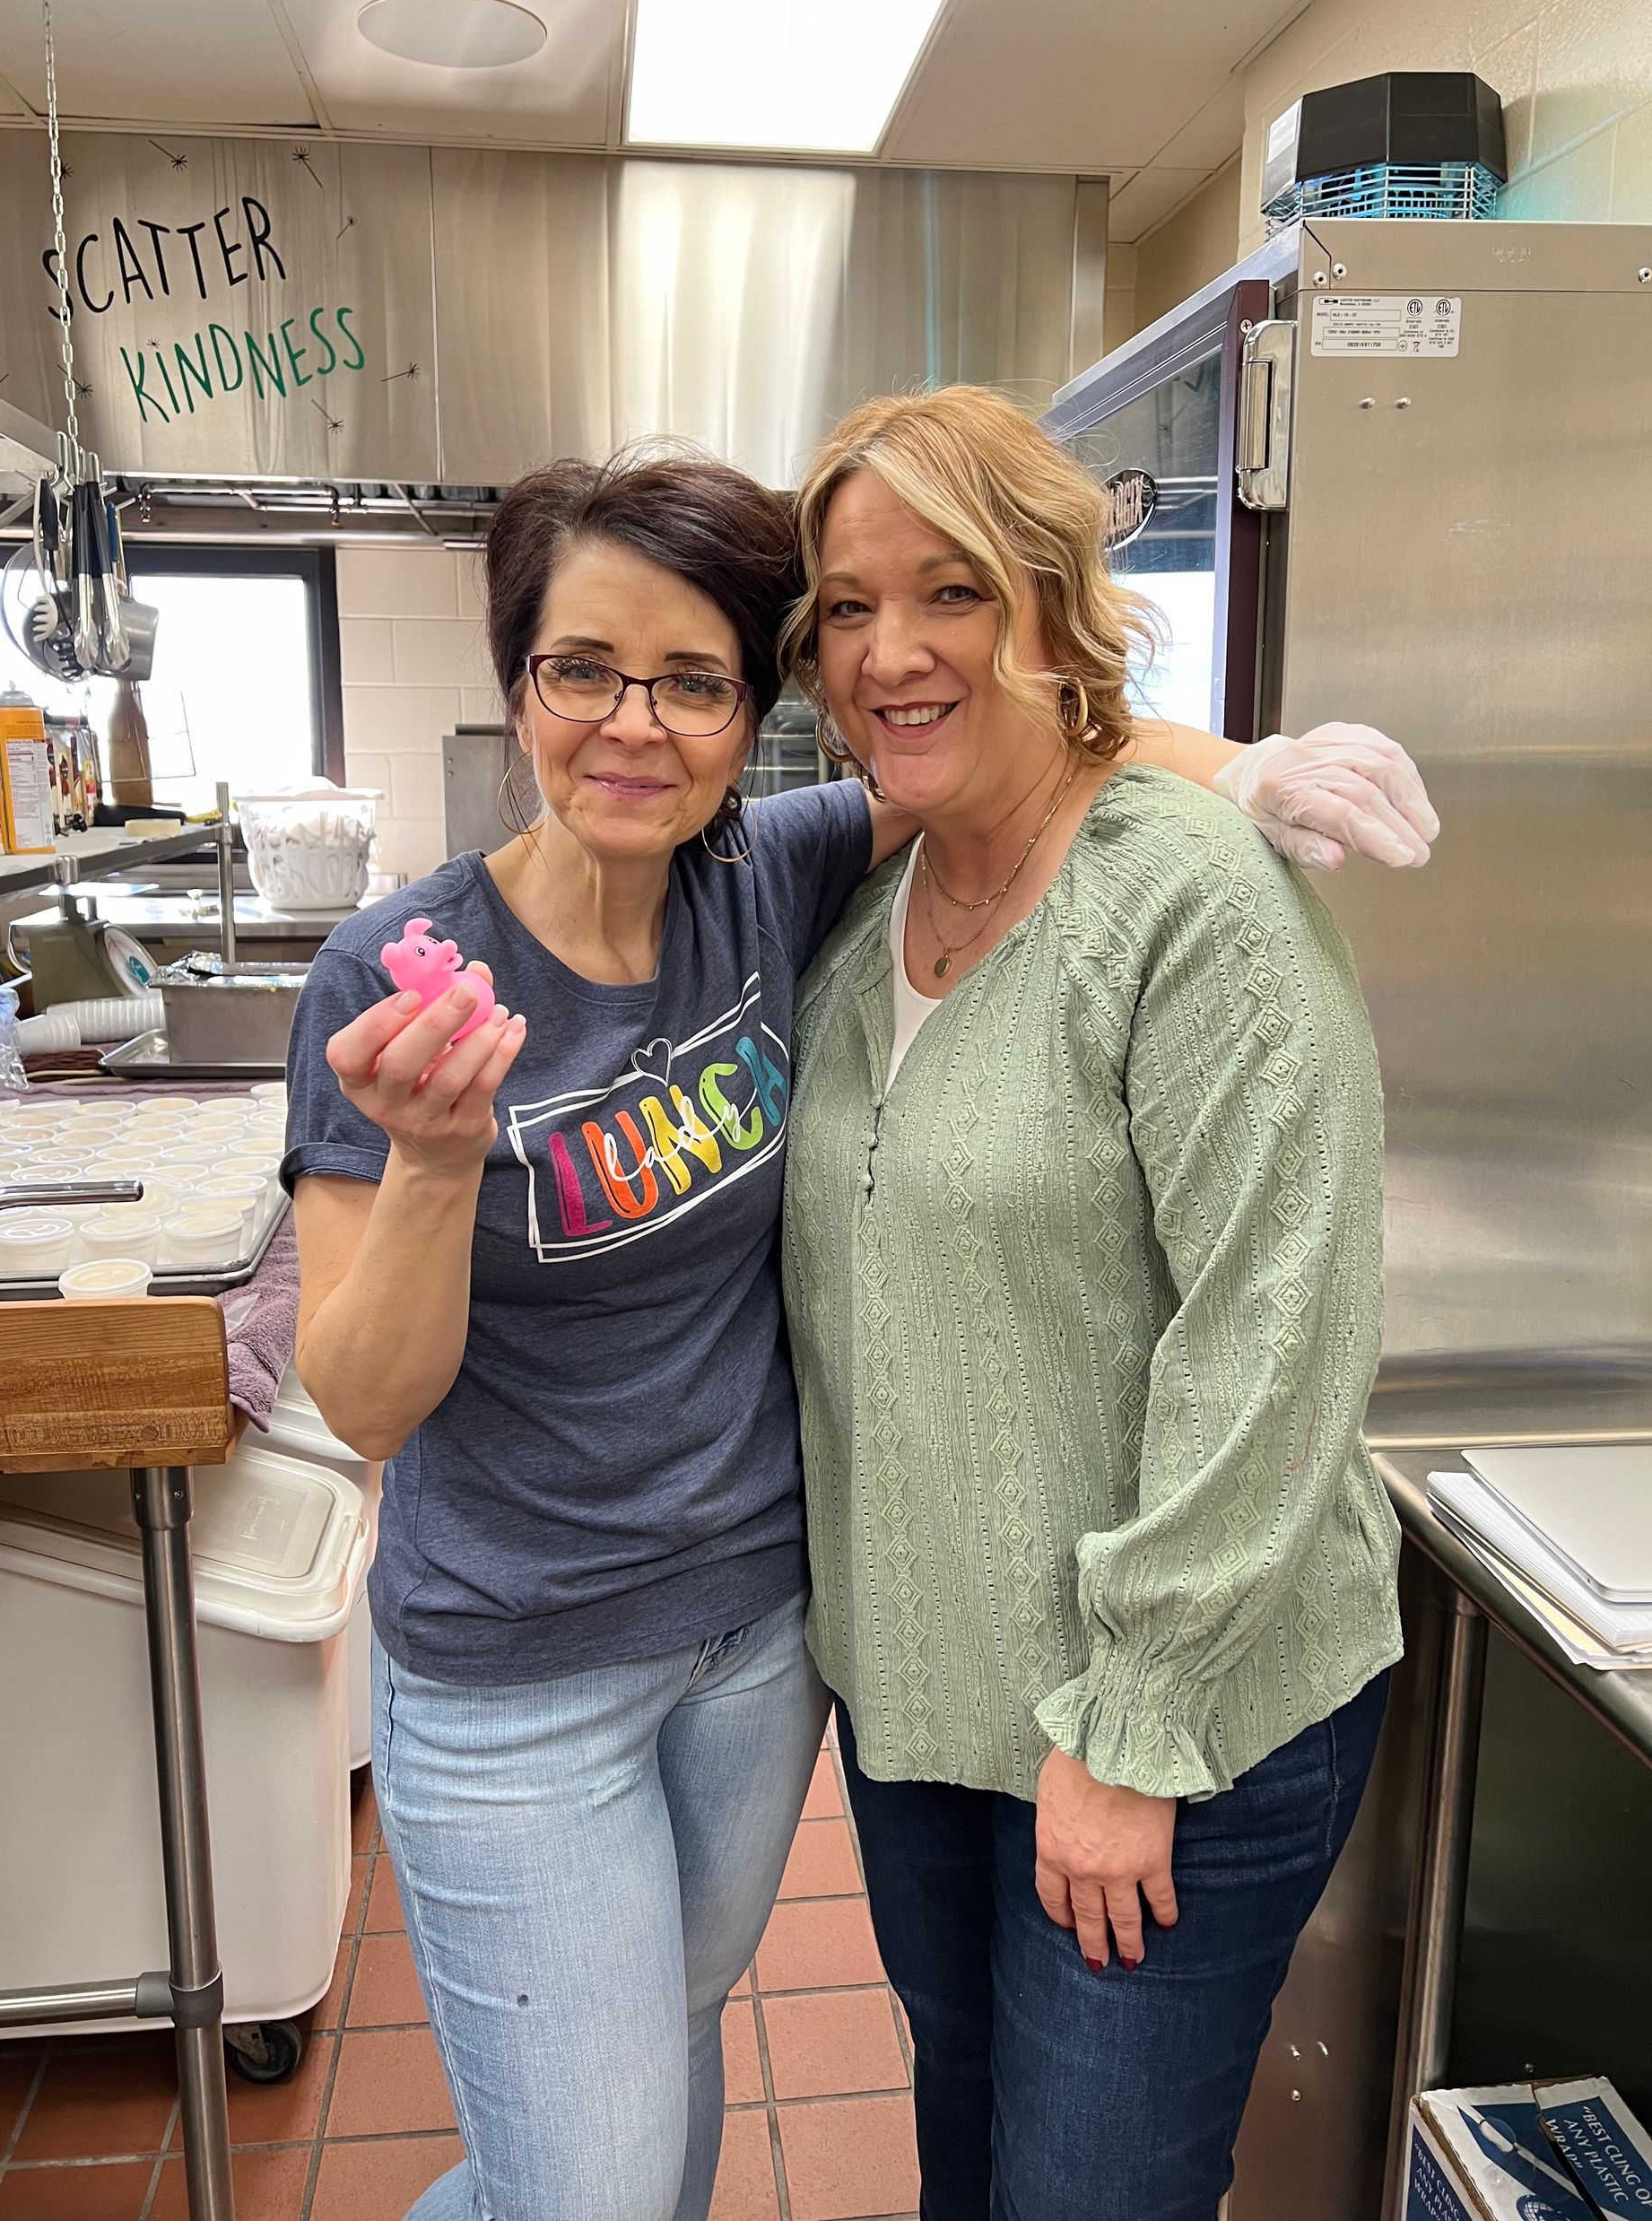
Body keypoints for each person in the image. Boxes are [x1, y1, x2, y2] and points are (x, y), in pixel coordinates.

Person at [285, 444, 1431, 2221]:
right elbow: (365, 1399)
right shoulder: (397, 972)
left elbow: (1026, 740)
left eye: (694, 681)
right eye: (583, 668)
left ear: (757, 711)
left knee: (647, 2085)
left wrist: (1245, 762)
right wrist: (438, 1160)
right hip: (521, 1666)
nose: (634, 725)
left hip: (753, 1649)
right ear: (516, 681)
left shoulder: (773, 880)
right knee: (582, 2176)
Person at [779, 386, 1405, 2221]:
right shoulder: (865, 892)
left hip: (1170, 1725)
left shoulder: (1196, 903)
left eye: (951, 589)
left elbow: (1275, 1332)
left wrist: (1135, 1726)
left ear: (1054, 602)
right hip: (929, 1700)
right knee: (969, 2155)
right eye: (845, 606)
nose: (890, 650)